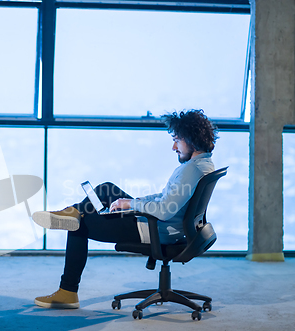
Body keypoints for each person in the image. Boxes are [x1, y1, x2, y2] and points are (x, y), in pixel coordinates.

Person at [31, 109, 218, 309]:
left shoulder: (191, 170)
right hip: (166, 227)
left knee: (78, 226)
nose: (174, 147)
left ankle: (67, 292)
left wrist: (131, 205)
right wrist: (133, 200)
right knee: (107, 188)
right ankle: (74, 211)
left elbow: (164, 210)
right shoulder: (204, 164)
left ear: (191, 138)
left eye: (177, 140)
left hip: (156, 229)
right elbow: (166, 197)